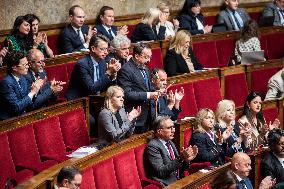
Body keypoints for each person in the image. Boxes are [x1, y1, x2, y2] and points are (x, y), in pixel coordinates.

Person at [144, 116, 198, 186]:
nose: (173, 130)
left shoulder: (169, 142)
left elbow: (178, 167)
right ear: (159, 131)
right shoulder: (152, 146)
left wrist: (186, 160)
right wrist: (180, 158)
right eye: (169, 128)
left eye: (173, 127)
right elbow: (161, 172)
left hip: (178, 180)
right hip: (165, 184)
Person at [117, 42, 159, 133]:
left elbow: (147, 87)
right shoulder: (126, 70)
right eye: (146, 57)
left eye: (150, 57)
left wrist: (157, 91)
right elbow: (127, 94)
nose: (149, 60)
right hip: (136, 116)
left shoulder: (145, 67)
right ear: (136, 56)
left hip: (148, 115)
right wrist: (148, 95)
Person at [65, 34, 120, 100]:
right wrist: (108, 73)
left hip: (97, 98)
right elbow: (91, 89)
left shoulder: (104, 61)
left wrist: (113, 75)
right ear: (93, 48)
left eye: (106, 49)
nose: (106, 52)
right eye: (102, 49)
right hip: (79, 100)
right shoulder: (82, 64)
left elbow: (108, 86)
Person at [0, 51, 44, 120]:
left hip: (22, 116)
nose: (27, 67)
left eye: (27, 64)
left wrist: (35, 90)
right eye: (24, 65)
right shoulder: (6, 83)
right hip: (8, 121)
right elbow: (17, 107)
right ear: (14, 68)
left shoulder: (23, 78)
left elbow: (27, 102)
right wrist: (32, 92)